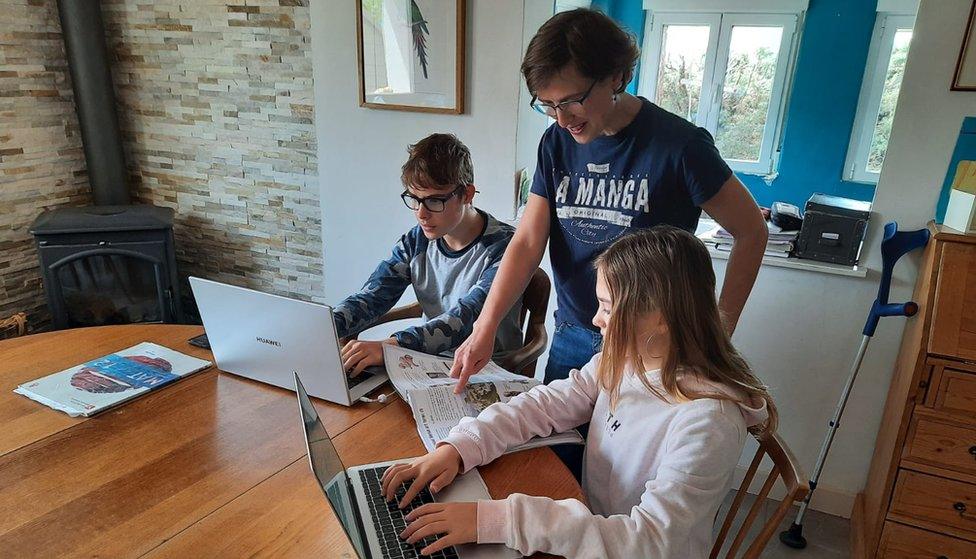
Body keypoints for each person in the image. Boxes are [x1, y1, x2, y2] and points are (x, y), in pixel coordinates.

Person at [379, 227, 777, 558]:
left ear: (658, 316)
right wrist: (461, 446)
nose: (595, 319)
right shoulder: (623, 359)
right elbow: (547, 403)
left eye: (606, 306)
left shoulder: (707, 422)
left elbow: (650, 541)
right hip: (590, 529)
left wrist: (500, 520)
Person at [449, 8, 768, 393]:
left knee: (634, 452)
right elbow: (529, 242)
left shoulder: (681, 147)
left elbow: (751, 231)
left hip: (652, 348)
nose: (562, 119)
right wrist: (485, 327)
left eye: (572, 100)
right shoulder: (556, 144)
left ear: (616, 76)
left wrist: (719, 330)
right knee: (558, 449)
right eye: (547, 105)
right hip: (575, 334)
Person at [334, 133, 522, 376]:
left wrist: (390, 347)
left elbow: (463, 320)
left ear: (467, 194)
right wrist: (325, 326)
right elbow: (373, 296)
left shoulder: (505, 247)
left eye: (434, 201)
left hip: (489, 369)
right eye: (414, 199)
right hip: (426, 363)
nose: (421, 214)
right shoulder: (416, 240)